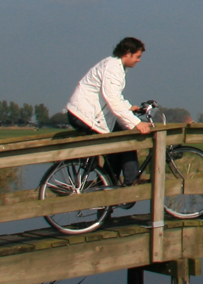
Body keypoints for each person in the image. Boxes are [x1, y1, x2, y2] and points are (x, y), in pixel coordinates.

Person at [65, 37, 154, 188]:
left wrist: (128, 107)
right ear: (127, 53)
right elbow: (112, 100)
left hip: (86, 114)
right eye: (137, 56)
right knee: (127, 137)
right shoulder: (113, 69)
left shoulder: (114, 65)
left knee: (115, 150)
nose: (139, 61)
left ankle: (106, 186)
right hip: (85, 115)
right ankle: (130, 182)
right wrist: (137, 123)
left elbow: (112, 96)